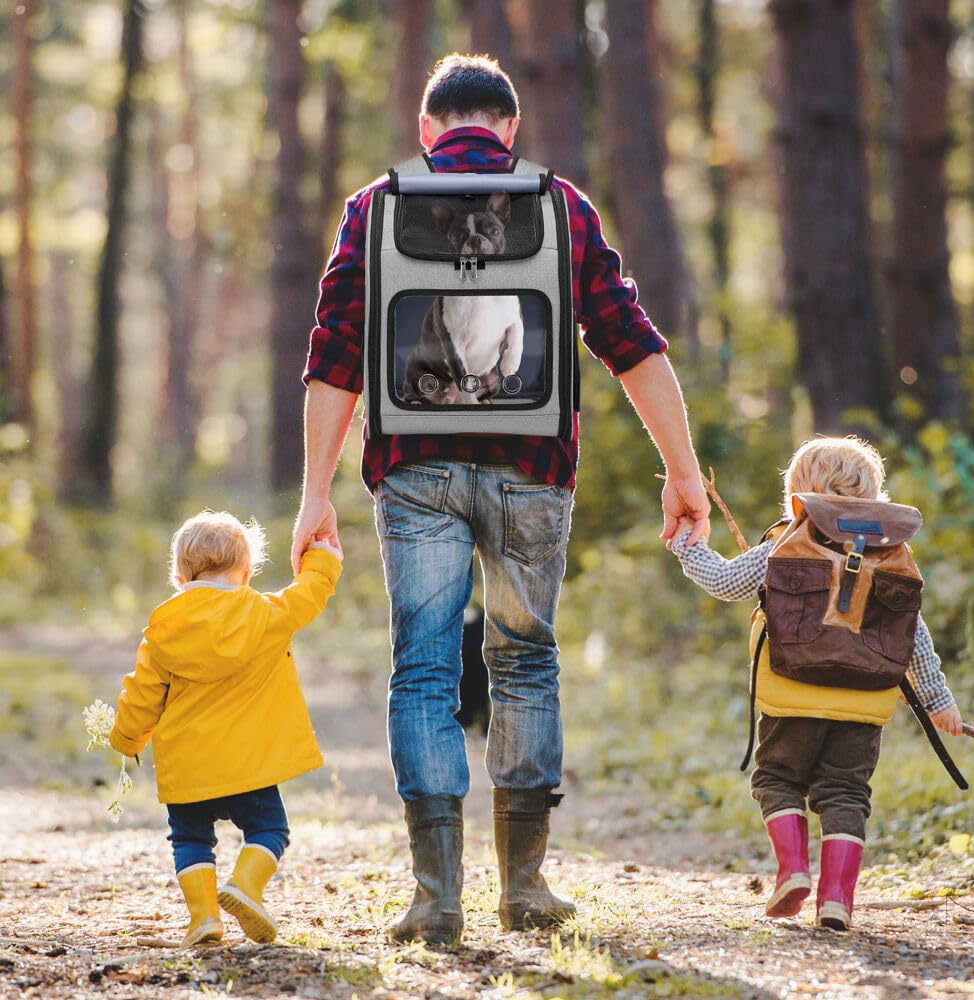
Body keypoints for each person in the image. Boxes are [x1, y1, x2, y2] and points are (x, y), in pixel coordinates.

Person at [291, 54, 710, 944]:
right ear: (510, 129)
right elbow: (630, 342)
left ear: (426, 130)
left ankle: (435, 898)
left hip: (413, 473)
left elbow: (333, 355)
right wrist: (683, 472)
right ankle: (527, 888)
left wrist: (312, 497)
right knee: (524, 662)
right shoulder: (562, 207)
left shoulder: (376, 209)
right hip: (531, 471)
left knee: (425, 671)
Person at [669, 436, 963, 931]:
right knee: (847, 793)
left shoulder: (786, 543)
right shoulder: (891, 554)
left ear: (798, 496)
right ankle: (837, 901)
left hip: (792, 694)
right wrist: (939, 700)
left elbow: (723, 583)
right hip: (864, 703)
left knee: (777, 780)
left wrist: (686, 546)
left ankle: (793, 870)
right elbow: (912, 633)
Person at [109, 510, 343, 947]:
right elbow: (307, 594)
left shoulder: (163, 629)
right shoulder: (264, 613)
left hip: (189, 767)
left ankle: (204, 919)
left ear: (179, 575)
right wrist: (323, 558)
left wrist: (127, 738)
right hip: (249, 766)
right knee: (270, 830)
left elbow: (142, 694)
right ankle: (246, 887)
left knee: (191, 838)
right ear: (246, 573)